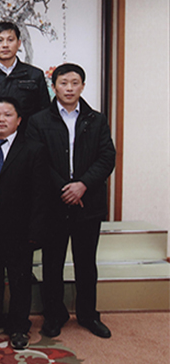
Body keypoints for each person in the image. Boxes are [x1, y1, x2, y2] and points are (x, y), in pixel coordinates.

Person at [26, 63, 116, 339]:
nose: (69, 88)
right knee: (52, 263)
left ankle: (88, 315)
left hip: (88, 203)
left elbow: (107, 157)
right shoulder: (38, 121)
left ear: (82, 86)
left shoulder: (96, 120)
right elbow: (36, 160)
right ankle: (54, 315)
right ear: (54, 86)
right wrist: (65, 189)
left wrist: (82, 185)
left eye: (74, 83)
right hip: (53, 205)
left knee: (86, 263)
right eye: (63, 83)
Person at [0, 97, 48, 350]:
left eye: (7, 115)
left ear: (19, 120)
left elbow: (40, 194)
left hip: (19, 226)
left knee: (19, 279)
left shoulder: (33, 149)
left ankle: (18, 326)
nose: (1, 119)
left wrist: (35, 230)